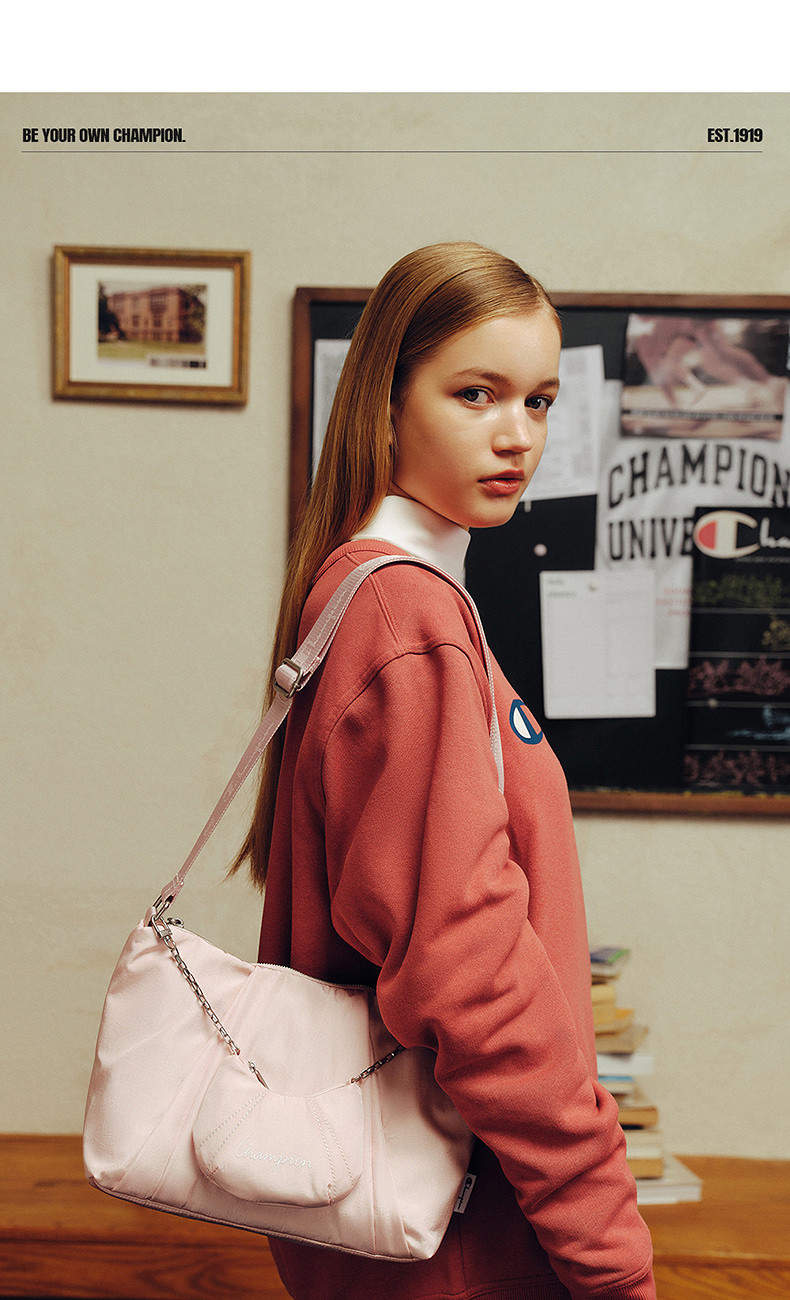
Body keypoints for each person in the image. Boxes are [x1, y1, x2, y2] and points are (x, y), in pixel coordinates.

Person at [232, 242, 656, 1300]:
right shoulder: (406, 618)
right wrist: (606, 1236)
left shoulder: (375, 593)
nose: (520, 436)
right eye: (476, 393)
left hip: (429, 1222)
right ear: (386, 403)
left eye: (540, 400)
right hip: (460, 1242)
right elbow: (468, 969)